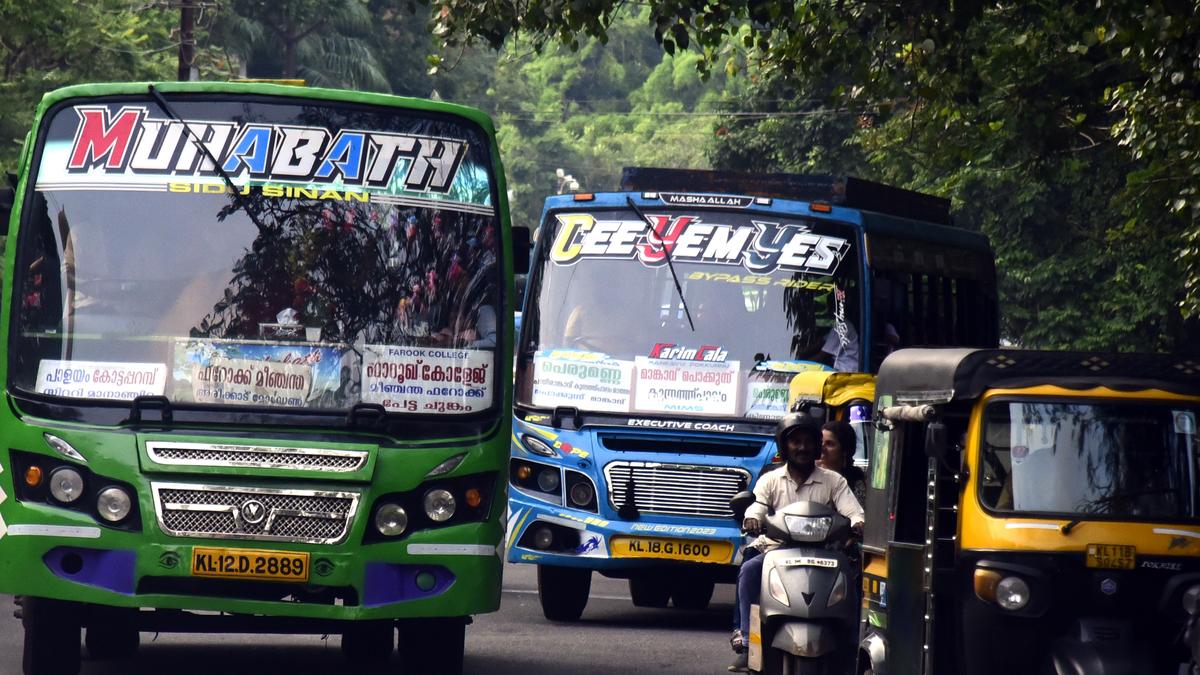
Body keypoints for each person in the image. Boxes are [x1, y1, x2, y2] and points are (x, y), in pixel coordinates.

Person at [729, 412, 865, 672]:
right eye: (796, 442)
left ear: (816, 446)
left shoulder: (834, 481)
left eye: (808, 441)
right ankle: (747, 642)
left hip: (825, 553)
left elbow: (853, 511)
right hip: (776, 551)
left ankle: (852, 643)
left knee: (851, 576)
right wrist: (752, 518)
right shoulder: (771, 479)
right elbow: (757, 505)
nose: (802, 447)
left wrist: (858, 522)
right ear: (784, 446)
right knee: (749, 570)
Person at [820, 420, 867, 506]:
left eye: (829, 444)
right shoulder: (811, 476)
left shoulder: (856, 483)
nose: (822, 448)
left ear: (844, 450)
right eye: (820, 442)